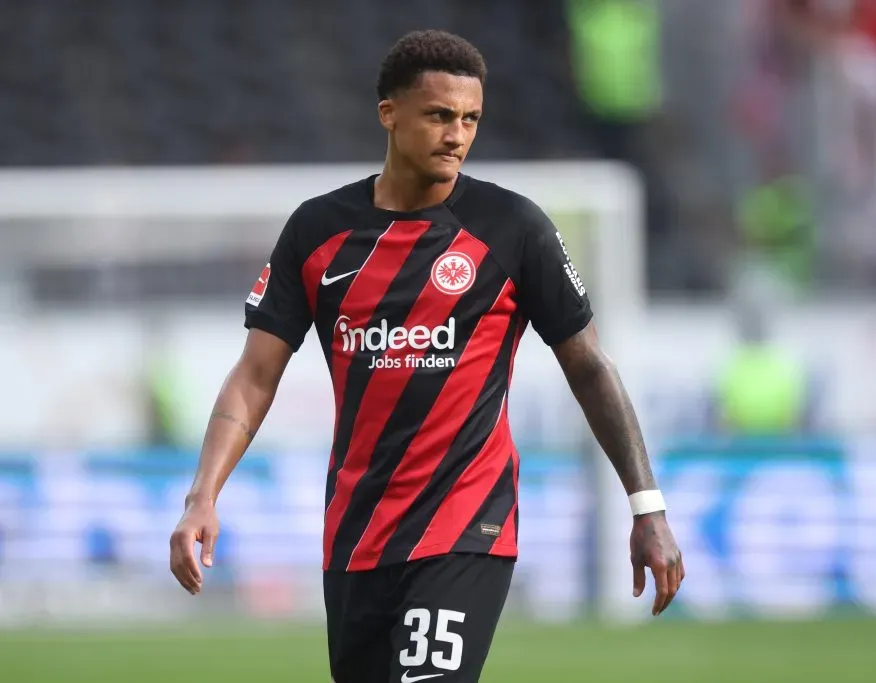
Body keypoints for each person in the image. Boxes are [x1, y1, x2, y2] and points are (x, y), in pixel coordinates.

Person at [169, 29, 683, 683]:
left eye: (470, 119)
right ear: (389, 113)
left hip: (466, 525)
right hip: (356, 536)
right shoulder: (318, 231)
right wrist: (202, 497)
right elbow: (255, 374)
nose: (457, 135)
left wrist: (647, 507)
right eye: (440, 115)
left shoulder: (513, 229)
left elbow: (588, 364)